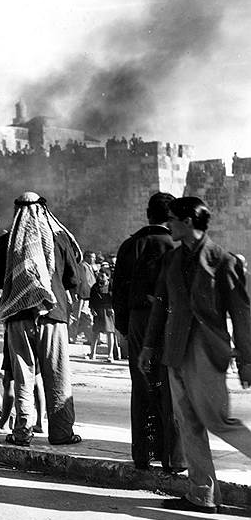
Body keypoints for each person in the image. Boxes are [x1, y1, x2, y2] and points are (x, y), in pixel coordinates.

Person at [139, 196, 251, 513]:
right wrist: (149, 346)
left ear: (188, 222)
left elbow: (242, 315)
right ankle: (202, 495)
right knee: (187, 422)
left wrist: (247, 360)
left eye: (172, 219)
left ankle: (203, 494)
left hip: (207, 351)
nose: (168, 224)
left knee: (219, 421)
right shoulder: (172, 260)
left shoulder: (224, 261)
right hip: (175, 350)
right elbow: (160, 306)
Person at [0, 192, 82, 447]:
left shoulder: (9, 240)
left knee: (23, 375)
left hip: (18, 317)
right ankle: (62, 432)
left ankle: (22, 432)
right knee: (57, 374)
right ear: (44, 211)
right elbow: (73, 280)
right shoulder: (59, 238)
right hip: (53, 316)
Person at [113, 192, 184, 472]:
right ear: (171, 217)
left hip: (138, 321)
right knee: (171, 388)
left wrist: (123, 327)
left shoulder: (130, 245)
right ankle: (174, 459)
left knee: (142, 387)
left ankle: (142, 455)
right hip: (168, 321)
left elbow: (117, 291)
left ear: (148, 214)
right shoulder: (175, 246)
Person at [88, 268, 117, 361]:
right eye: (99, 276)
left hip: (108, 311)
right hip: (98, 311)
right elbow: (91, 300)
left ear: (108, 277)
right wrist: (92, 309)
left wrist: (113, 308)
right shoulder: (95, 287)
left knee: (110, 333)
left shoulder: (112, 286)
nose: (100, 278)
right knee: (95, 333)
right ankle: (92, 354)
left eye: (102, 276)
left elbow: (116, 299)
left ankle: (110, 354)